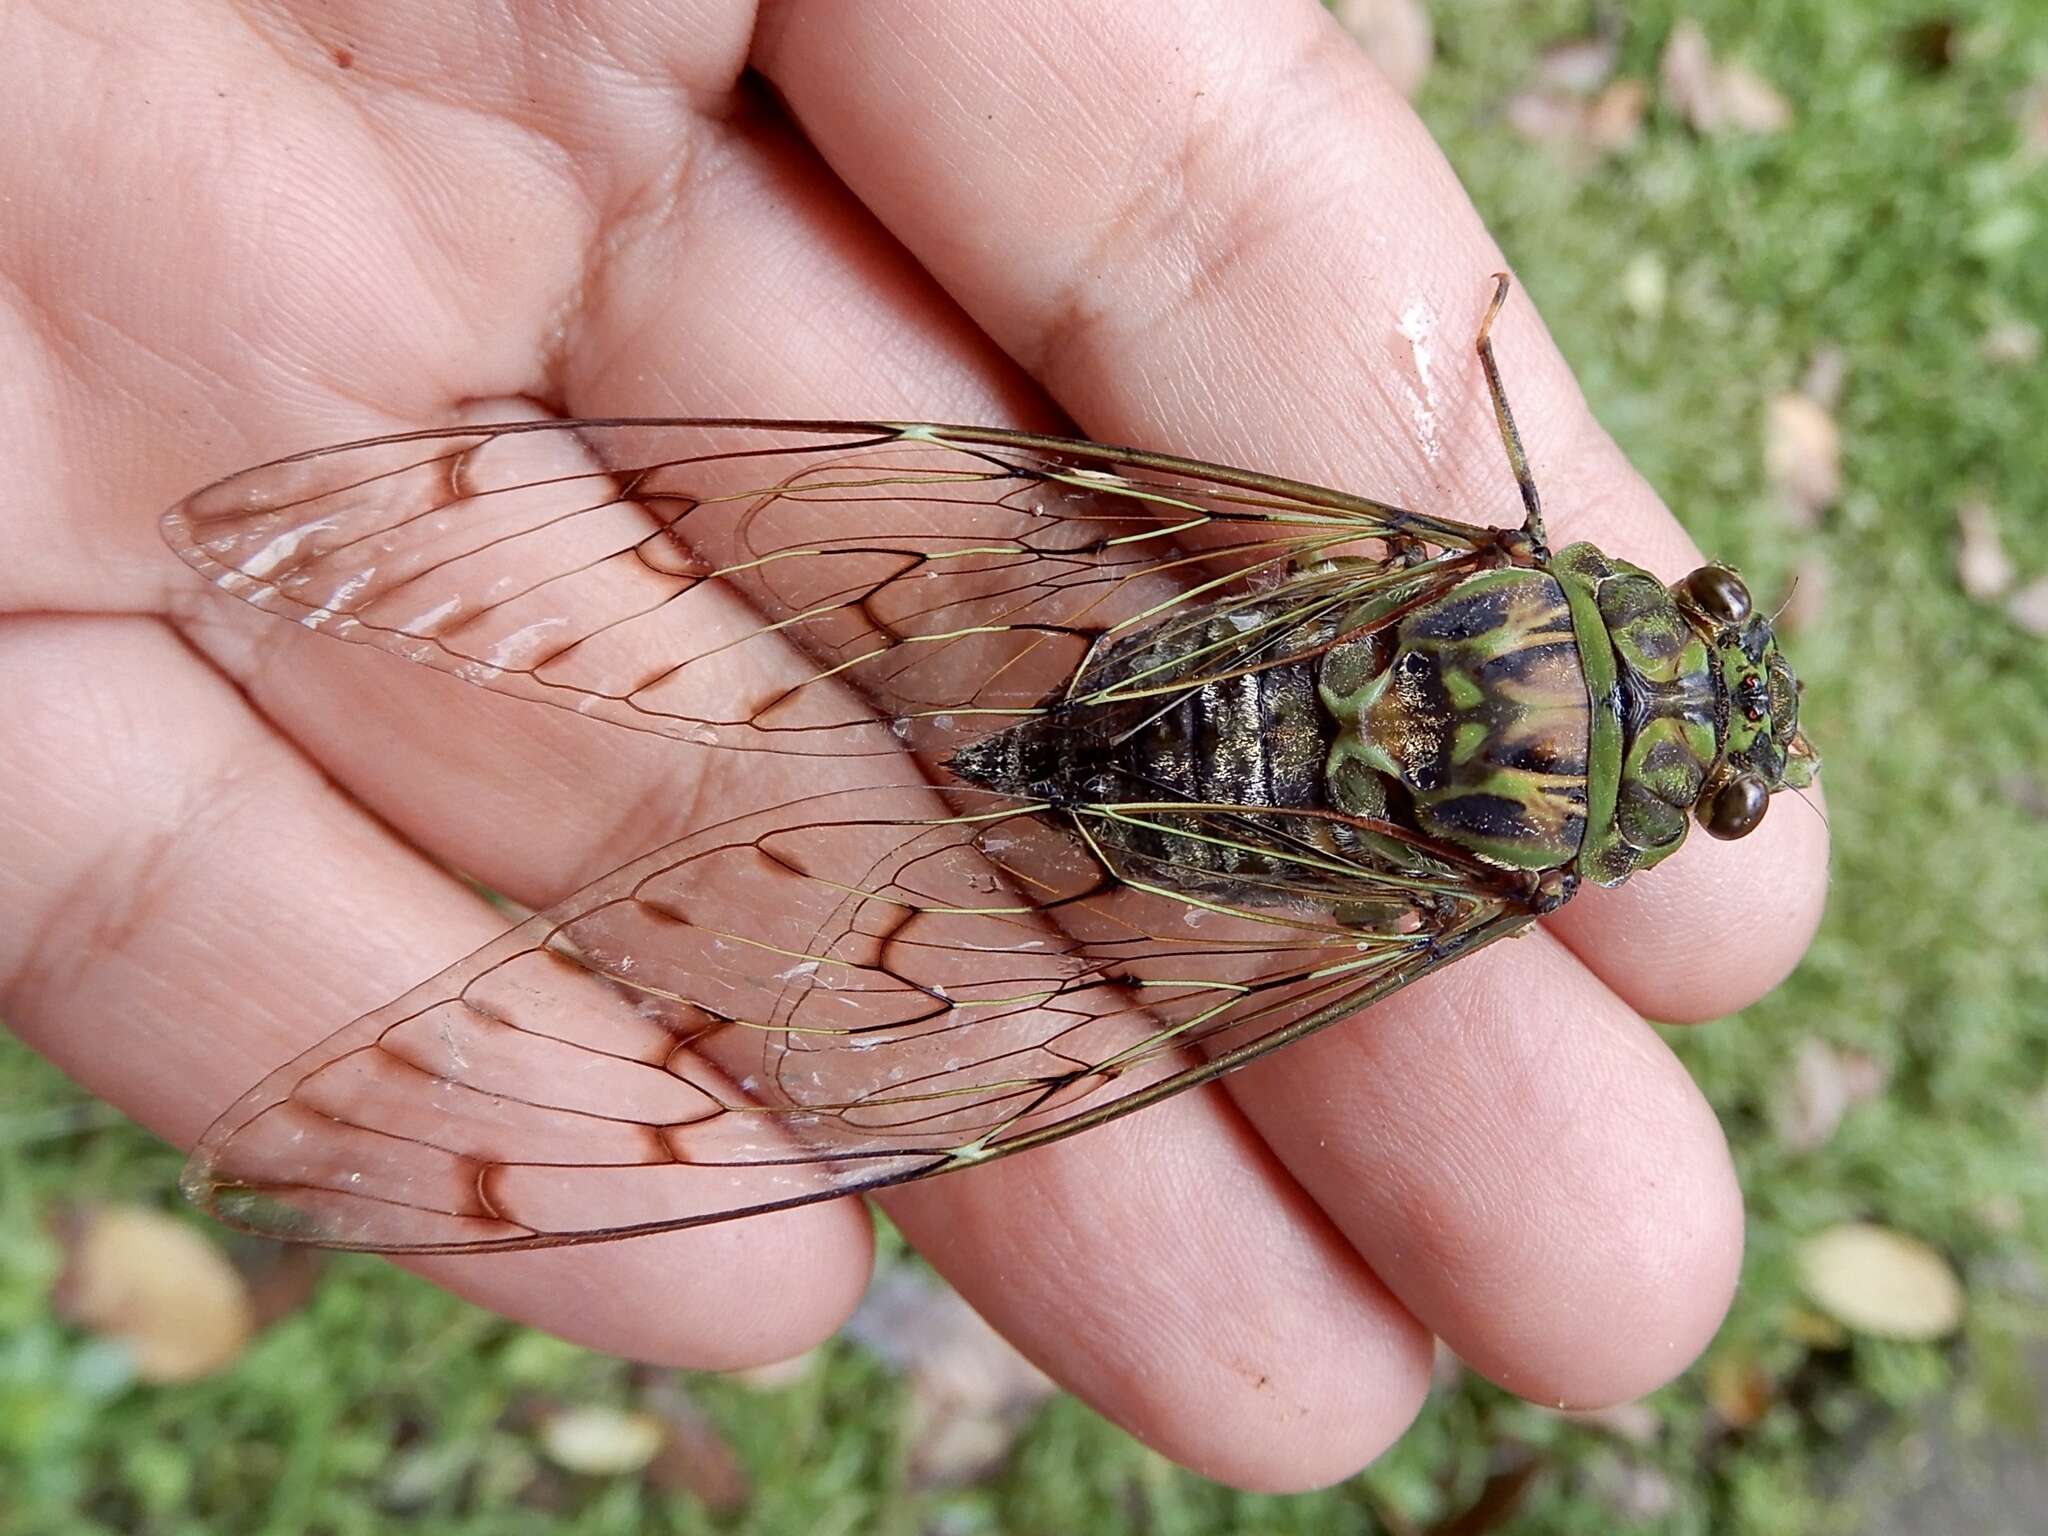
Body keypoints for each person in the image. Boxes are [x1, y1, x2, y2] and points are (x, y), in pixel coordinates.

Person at [0, 0, 1826, 1493]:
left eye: (1722, 757)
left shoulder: (1496, 571)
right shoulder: (1508, 875)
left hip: (1174, 650)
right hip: (1261, 835)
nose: (1716, 675)